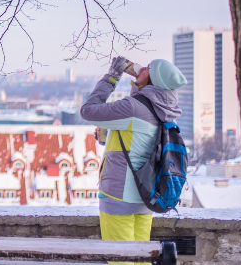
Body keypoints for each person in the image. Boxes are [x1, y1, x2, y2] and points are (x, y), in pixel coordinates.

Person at [80, 57, 187, 260]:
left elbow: (88, 111)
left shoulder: (134, 107)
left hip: (119, 195)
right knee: (141, 259)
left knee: (121, 260)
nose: (142, 67)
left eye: (148, 68)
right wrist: (109, 137)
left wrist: (112, 77)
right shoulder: (164, 109)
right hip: (145, 195)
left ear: (153, 80)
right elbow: (138, 141)